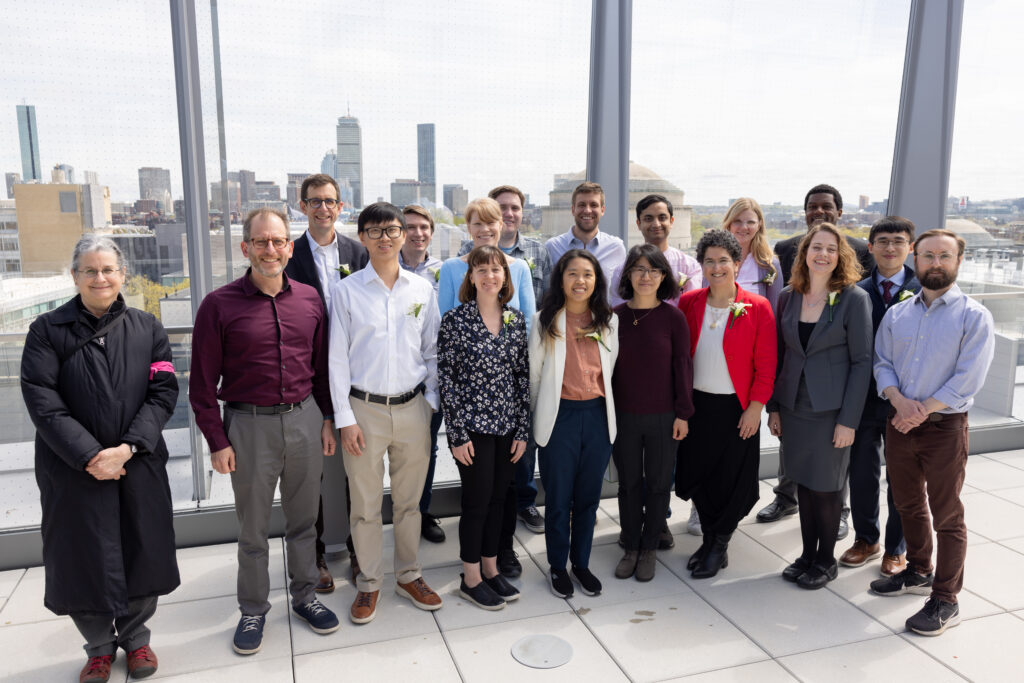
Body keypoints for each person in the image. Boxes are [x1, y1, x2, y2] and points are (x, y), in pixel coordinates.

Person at [21, 235, 180, 683]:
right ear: (74, 276)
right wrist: (92, 455)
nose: (100, 278)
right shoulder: (46, 331)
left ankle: (137, 639)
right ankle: (97, 649)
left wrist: (127, 448)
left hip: (137, 461)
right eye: (89, 270)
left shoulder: (147, 327)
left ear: (122, 275)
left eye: (108, 269)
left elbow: (163, 391)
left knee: (141, 549)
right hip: (73, 469)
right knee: (82, 557)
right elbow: (42, 400)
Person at [190, 208, 340, 655]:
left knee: (303, 520)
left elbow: (321, 370)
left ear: (290, 247)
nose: (270, 249)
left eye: (278, 241)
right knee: (253, 529)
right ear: (246, 248)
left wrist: (327, 418)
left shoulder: (311, 299)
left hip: (304, 420)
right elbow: (200, 384)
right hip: (248, 427)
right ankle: (253, 609)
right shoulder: (218, 305)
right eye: (261, 242)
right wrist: (217, 441)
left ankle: (305, 596)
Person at [870, 228, 994, 636]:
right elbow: (882, 364)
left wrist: (919, 410)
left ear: (958, 261)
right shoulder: (898, 313)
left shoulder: (974, 316)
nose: (935, 263)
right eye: (927, 256)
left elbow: (967, 378)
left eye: (944, 256)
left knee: (947, 515)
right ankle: (919, 570)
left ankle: (946, 598)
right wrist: (898, 402)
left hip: (943, 427)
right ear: (915, 260)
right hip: (901, 423)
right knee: (907, 505)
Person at [328, 202, 443, 624]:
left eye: (391, 230)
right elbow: (336, 360)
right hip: (364, 410)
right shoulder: (346, 291)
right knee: (365, 504)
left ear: (402, 235)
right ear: (362, 238)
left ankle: (409, 574)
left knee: (411, 503)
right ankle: (369, 583)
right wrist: (345, 418)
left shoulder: (421, 290)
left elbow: (431, 350)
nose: (384, 238)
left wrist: (431, 401)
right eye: (374, 231)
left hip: (414, 408)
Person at [759, 183, 870, 532]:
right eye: (812, 206)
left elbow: (860, 356)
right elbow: (783, 341)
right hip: (794, 389)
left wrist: (850, 417)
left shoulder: (857, 257)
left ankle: (838, 511)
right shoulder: (785, 251)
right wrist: (774, 403)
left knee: (833, 459)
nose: (818, 212)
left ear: (839, 212)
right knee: (792, 450)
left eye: (826, 207)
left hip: (832, 382)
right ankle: (786, 497)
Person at [457, 185, 551, 576]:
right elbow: (449, 345)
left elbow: (527, 327)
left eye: (493, 221)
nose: (487, 228)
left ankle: (500, 555)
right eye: (478, 223)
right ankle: (473, 566)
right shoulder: (454, 270)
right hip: (473, 401)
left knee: (505, 486)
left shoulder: (520, 268)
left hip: (509, 399)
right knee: (479, 493)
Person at [285, 173, 369, 592]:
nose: (322, 208)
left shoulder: (358, 250)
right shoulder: (289, 254)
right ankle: (313, 556)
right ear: (302, 206)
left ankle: (360, 552)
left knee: (358, 468)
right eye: (314, 201)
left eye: (330, 201)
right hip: (308, 373)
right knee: (311, 472)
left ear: (341, 207)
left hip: (357, 374)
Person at [676, 230, 777, 579]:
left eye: (723, 261)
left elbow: (767, 364)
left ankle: (719, 544)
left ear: (737, 264)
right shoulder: (689, 303)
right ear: (701, 265)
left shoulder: (758, 307)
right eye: (709, 261)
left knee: (732, 480)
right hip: (697, 407)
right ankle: (709, 540)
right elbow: (680, 360)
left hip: (737, 409)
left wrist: (755, 408)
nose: (716, 267)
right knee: (699, 476)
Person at [438, 246, 530, 610]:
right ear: (471, 277)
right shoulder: (456, 320)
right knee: (476, 503)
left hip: (507, 427)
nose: (490, 275)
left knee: (498, 500)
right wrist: (457, 436)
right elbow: (447, 381)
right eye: (482, 269)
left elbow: (522, 378)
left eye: (497, 269)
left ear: (505, 277)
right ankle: (470, 577)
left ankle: (491, 570)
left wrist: (522, 430)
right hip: (472, 429)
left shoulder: (514, 320)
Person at [530, 249, 619, 599]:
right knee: (558, 498)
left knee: (588, 498)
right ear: (560, 279)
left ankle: (580, 563)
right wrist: (539, 419)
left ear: (596, 280)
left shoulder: (609, 322)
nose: (580, 281)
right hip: (559, 418)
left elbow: (611, 372)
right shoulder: (545, 321)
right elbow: (534, 377)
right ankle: (556, 566)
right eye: (572, 274)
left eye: (587, 274)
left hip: (597, 416)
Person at [839, 217, 919, 576]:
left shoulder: (924, 290)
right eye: (883, 241)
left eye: (898, 241)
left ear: (910, 247)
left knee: (902, 477)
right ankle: (866, 539)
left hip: (908, 399)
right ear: (870, 248)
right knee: (862, 474)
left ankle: (895, 547)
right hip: (864, 398)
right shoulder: (854, 290)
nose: (890, 248)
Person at [611, 244, 692, 582]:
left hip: (663, 415)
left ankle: (649, 548)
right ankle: (630, 546)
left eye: (654, 270)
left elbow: (683, 367)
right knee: (629, 485)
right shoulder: (613, 316)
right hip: (623, 416)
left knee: (658, 484)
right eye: (639, 269)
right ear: (628, 274)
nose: (646, 276)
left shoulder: (673, 317)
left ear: (663, 277)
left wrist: (683, 414)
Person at [400, 205, 448, 545]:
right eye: (411, 227)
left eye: (424, 227)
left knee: (427, 447)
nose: (418, 233)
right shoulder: (386, 268)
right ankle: (400, 513)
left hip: (434, 373)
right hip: (396, 372)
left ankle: (423, 512)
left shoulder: (446, 271)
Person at [438, 197, 535, 331]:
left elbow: (529, 323)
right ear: (469, 228)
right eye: (478, 224)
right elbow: (443, 321)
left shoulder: (520, 268)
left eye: (490, 222)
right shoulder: (450, 268)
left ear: (500, 225)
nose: (484, 229)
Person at [608, 194, 702, 307]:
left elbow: (692, 306)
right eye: (648, 218)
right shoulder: (623, 270)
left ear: (671, 221)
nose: (656, 224)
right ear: (639, 224)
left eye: (662, 218)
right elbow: (620, 309)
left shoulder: (689, 266)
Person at [545, 181, 627, 286]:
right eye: (582, 205)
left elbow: (621, 292)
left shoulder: (616, 248)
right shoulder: (552, 247)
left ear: (602, 210)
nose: (587, 210)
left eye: (593, 205)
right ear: (573, 210)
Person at [721, 197, 783, 309]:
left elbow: (773, 311)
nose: (744, 227)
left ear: (759, 225)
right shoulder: (711, 261)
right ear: (729, 223)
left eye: (750, 222)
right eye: (737, 221)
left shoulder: (770, 265)